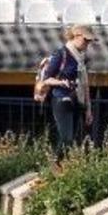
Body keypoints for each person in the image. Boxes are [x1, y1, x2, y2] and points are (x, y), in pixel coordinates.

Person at [41, 24, 95, 158]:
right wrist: (60, 82)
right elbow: (46, 79)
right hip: (61, 99)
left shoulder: (82, 58)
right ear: (76, 36)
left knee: (70, 141)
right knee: (66, 138)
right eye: (85, 40)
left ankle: (59, 169)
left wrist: (88, 109)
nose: (88, 44)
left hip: (77, 100)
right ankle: (55, 166)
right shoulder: (61, 54)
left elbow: (85, 84)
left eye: (90, 41)